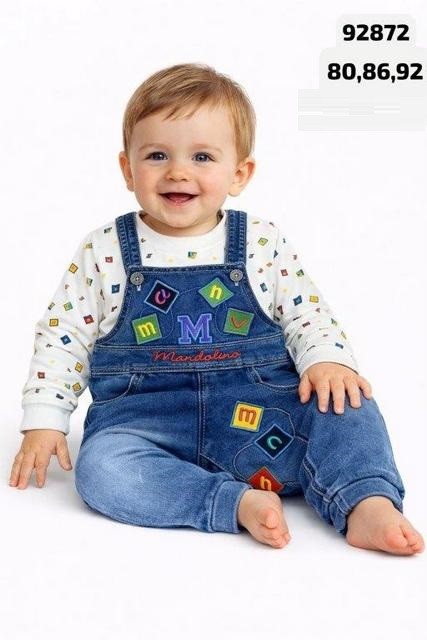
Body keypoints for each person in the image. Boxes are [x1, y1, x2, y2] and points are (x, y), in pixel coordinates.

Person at [9, 62, 424, 555]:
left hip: (264, 422)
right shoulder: (104, 250)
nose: (178, 171)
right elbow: (63, 338)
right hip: (147, 426)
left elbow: (307, 314)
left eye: (202, 156)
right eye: (157, 155)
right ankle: (232, 502)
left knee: (348, 402)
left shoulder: (262, 242)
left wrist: (327, 360)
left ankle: (365, 500)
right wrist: (45, 416)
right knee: (101, 470)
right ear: (128, 169)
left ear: (239, 173)